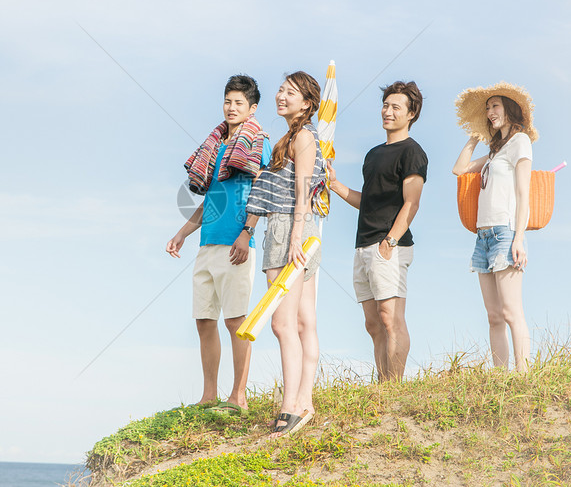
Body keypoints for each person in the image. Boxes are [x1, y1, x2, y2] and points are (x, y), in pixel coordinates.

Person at [166, 74, 272, 412]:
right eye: (228, 101)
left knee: (236, 321)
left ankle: (238, 396)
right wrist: (183, 233)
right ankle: (208, 394)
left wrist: (248, 231)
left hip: (237, 243)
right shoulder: (215, 148)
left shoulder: (259, 142)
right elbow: (211, 199)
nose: (231, 107)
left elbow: (264, 190)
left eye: (239, 102)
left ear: (252, 108)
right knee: (204, 320)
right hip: (208, 244)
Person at [327, 81, 427, 382]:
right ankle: (383, 383)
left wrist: (390, 241)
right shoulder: (372, 155)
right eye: (385, 105)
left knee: (391, 318)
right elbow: (368, 201)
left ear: (411, 114)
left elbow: (412, 203)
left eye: (396, 107)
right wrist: (336, 185)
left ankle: (393, 387)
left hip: (390, 245)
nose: (388, 111)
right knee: (372, 323)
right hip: (363, 245)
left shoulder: (413, 152)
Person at [245, 71, 327, 436]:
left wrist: (294, 237)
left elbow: (303, 192)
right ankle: (304, 401)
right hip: (294, 230)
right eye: (280, 90)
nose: (281, 96)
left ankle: (290, 404)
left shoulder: (305, 136)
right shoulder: (290, 138)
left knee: (281, 323)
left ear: (307, 103)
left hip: (289, 230)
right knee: (303, 321)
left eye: (290, 92)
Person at [452, 82, 538, 372]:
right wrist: (474, 137)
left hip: (504, 232)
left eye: (495, 106)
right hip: (482, 234)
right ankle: (500, 378)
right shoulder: (493, 153)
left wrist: (519, 238)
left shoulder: (520, 142)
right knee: (493, 316)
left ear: (511, 109)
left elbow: (524, 193)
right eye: (487, 108)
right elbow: (459, 169)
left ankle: (523, 376)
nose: (490, 112)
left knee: (512, 312)